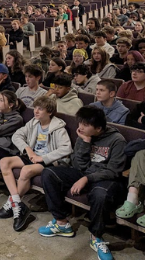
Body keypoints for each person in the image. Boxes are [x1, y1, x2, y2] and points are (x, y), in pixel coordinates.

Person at [37, 107, 127, 260]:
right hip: (84, 173)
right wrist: (85, 142)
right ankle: (61, 223)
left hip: (104, 178)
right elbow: (79, 166)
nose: (80, 127)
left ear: (98, 128)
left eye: (85, 125)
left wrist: (87, 179)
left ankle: (96, 237)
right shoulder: (83, 136)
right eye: (80, 123)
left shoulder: (117, 140)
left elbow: (114, 171)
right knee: (48, 173)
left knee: (101, 194)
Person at [0, 95, 72, 231]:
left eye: (40, 109)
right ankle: (17, 203)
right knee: (4, 162)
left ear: (49, 112)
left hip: (49, 161)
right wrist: (28, 149)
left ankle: (12, 204)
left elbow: (66, 149)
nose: (36, 111)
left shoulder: (58, 127)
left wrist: (43, 158)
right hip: (33, 156)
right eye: (35, 108)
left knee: (26, 171)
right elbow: (16, 135)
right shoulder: (34, 122)